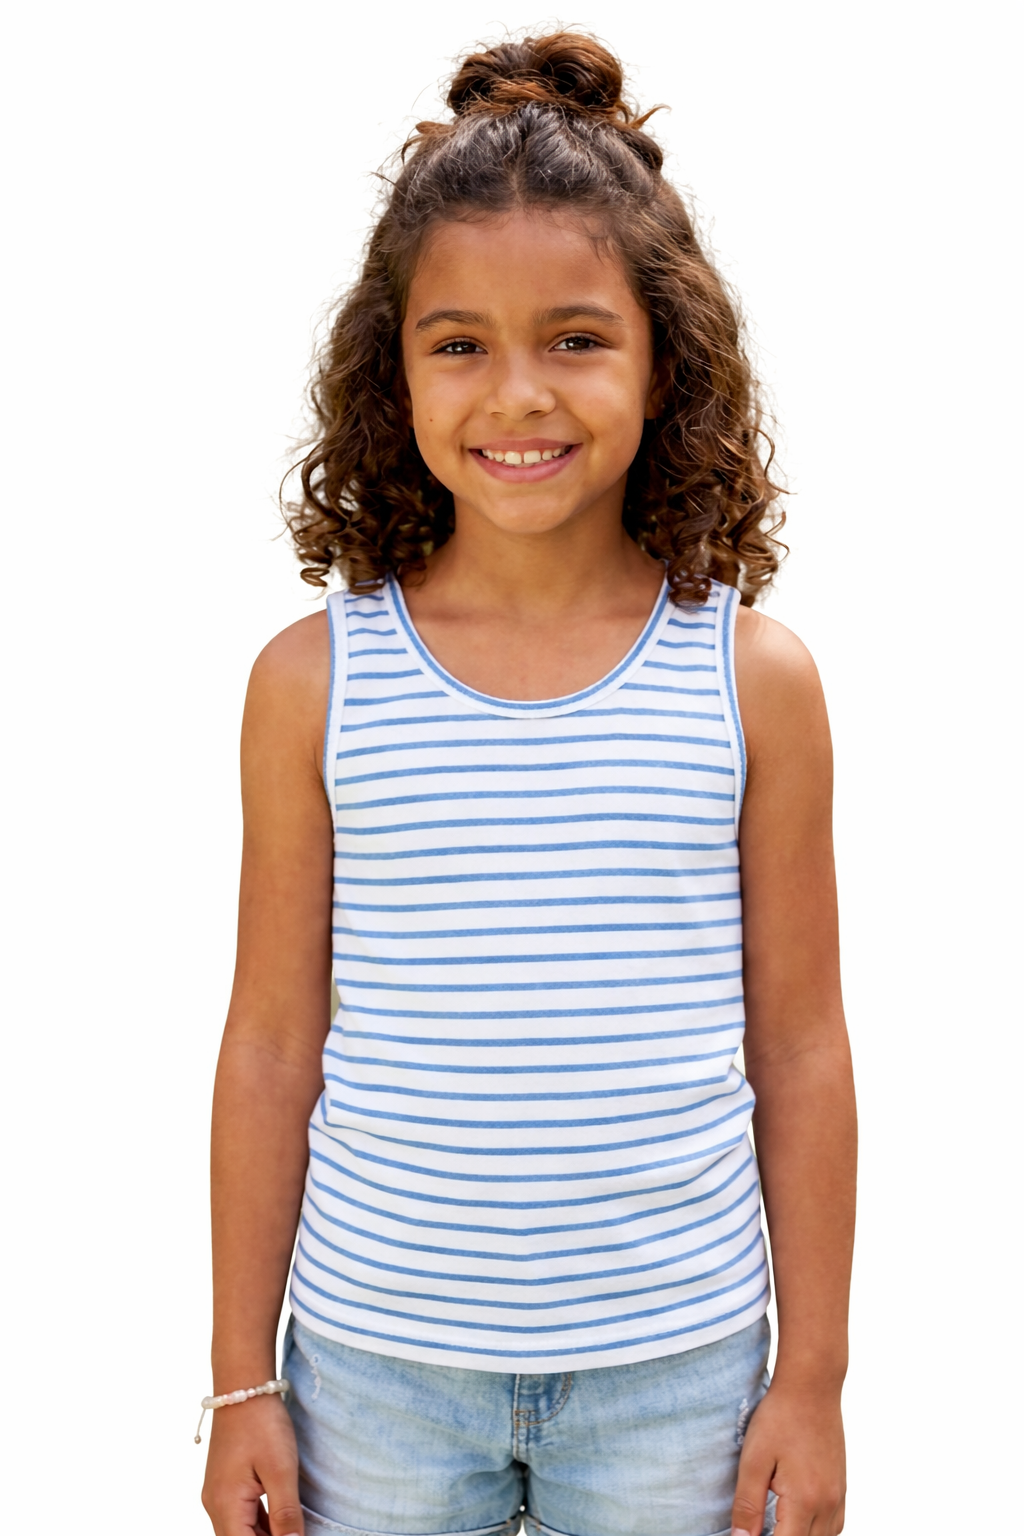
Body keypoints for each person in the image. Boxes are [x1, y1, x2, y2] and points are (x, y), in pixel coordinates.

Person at [201, 31, 856, 1536]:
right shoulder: (314, 683)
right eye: (459, 345)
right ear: (394, 368)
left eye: (574, 339)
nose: (517, 396)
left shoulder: (753, 681)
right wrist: (242, 1384)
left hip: (678, 1377)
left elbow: (804, 1047)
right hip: (372, 1374)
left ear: (663, 361)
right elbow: (272, 1043)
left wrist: (813, 1380)